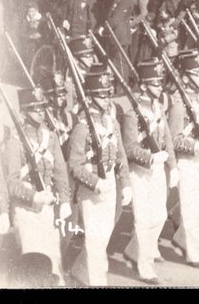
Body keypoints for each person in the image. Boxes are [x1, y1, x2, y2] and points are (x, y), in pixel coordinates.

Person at [66, 65, 129, 286]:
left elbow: (120, 154)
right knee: (94, 237)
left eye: (108, 95)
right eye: (101, 96)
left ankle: (80, 270)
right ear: (91, 97)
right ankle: (95, 280)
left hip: (110, 181)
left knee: (105, 233)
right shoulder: (82, 127)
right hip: (91, 187)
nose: (106, 100)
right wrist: (95, 183)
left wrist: (126, 183)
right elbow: (75, 165)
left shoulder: (112, 122)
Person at [4, 88, 72, 285]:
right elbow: (12, 181)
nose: (41, 112)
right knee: (33, 261)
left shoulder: (49, 137)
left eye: (42, 108)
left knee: (53, 259)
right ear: (24, 112)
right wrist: (34, 196)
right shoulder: (15, 140)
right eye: (35, 109)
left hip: (48, 208)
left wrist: (65, 200)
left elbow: (60, 171)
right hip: (26, 209)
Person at [118, 59, 173, 284]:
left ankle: (134, 251)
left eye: (160, 82)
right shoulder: (133, 114)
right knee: (143, 219)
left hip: (158, 169)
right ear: (143, 86)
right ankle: (145, 265)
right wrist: (150, 157)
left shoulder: (158, 108)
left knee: (160, 216)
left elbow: (167, 137)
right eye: (155, 83)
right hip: (139, 172)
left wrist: (173, 165)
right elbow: (130, 147)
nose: (160, 87)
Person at [166, 50, 199, 268]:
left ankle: (181, 238)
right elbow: (174, 138)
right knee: (189, 207)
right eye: (197, 73)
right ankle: (193, 251)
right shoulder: (178, 102)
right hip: (187, 161)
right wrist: (194, 145)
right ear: (185, 76)